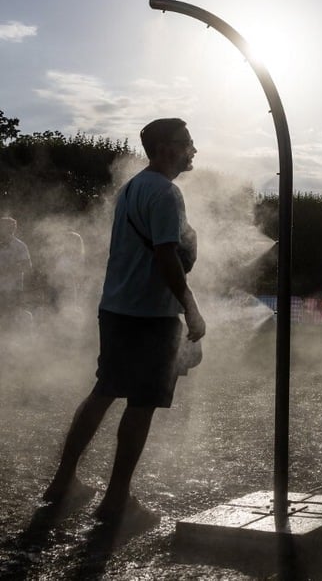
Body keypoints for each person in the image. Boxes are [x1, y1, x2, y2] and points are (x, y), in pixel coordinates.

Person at [42, 118, 206, 523]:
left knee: (103, 392)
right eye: (187, 143)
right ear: (167, 148)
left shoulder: (131, 188)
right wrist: (190, 305)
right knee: (142, 404)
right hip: (151, 314)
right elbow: (167, 255)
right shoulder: (167, 193)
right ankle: (116, 500)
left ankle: (63, 482)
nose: (193, 150)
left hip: (116, 308)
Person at [0, 216, 33, 321]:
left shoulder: (20, 246)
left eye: (3, 226)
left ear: (11, 229)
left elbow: (27, 266)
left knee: (11, 317)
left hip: (13, 289)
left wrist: (7, 269)